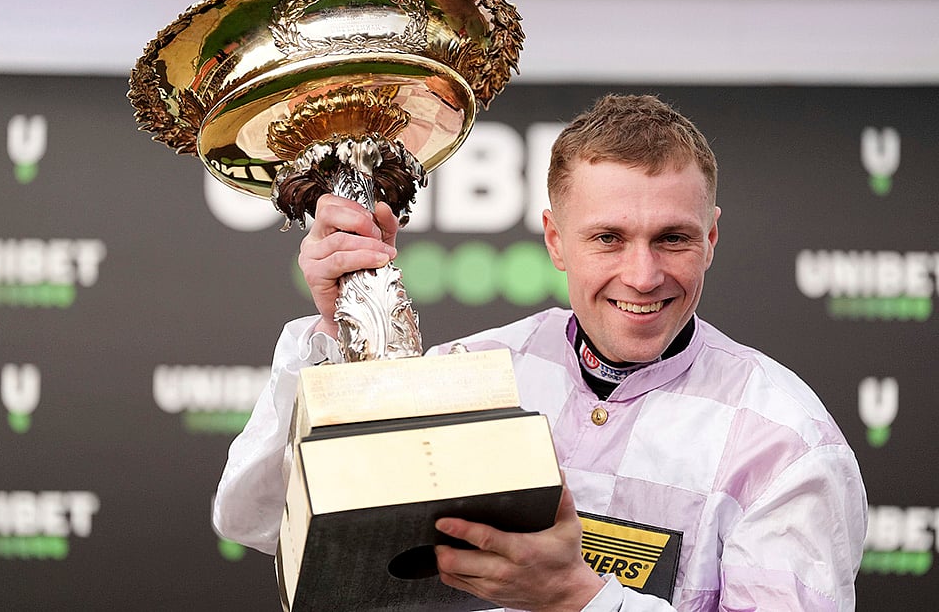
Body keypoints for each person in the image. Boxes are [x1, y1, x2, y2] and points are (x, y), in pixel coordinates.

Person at [213, 94, 867, 611]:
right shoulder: (475, 375)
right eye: (608, 238)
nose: (643, 275)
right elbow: (259, 519)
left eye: (673, 238)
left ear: (712, 238)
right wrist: (336, 329)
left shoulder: (786, 442)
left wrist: (579, 598)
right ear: (555, 239)